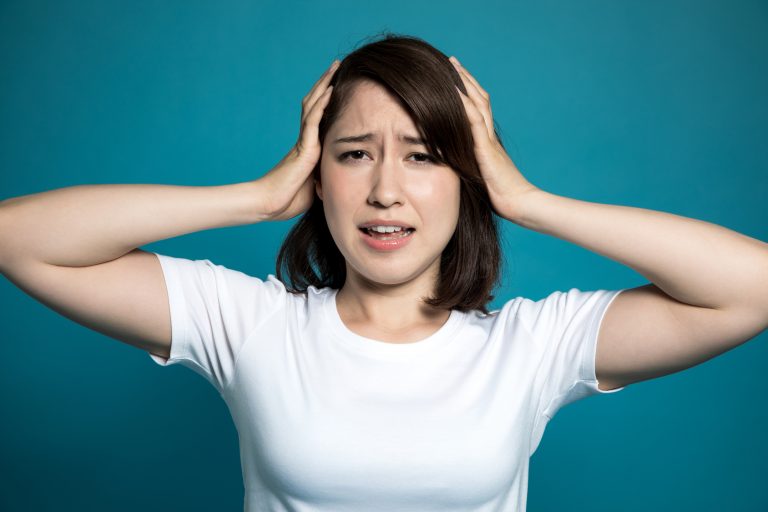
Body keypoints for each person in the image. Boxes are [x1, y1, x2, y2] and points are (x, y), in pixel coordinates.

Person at [1, 32, 766, 512]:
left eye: (424, 156)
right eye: (356, 152)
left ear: (468, 179)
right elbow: (17, 239)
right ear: (318, 176)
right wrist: (257, 196)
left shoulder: (531, 347)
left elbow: (751, 288)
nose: (385, 190)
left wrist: (528, 201)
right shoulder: (251, 323)